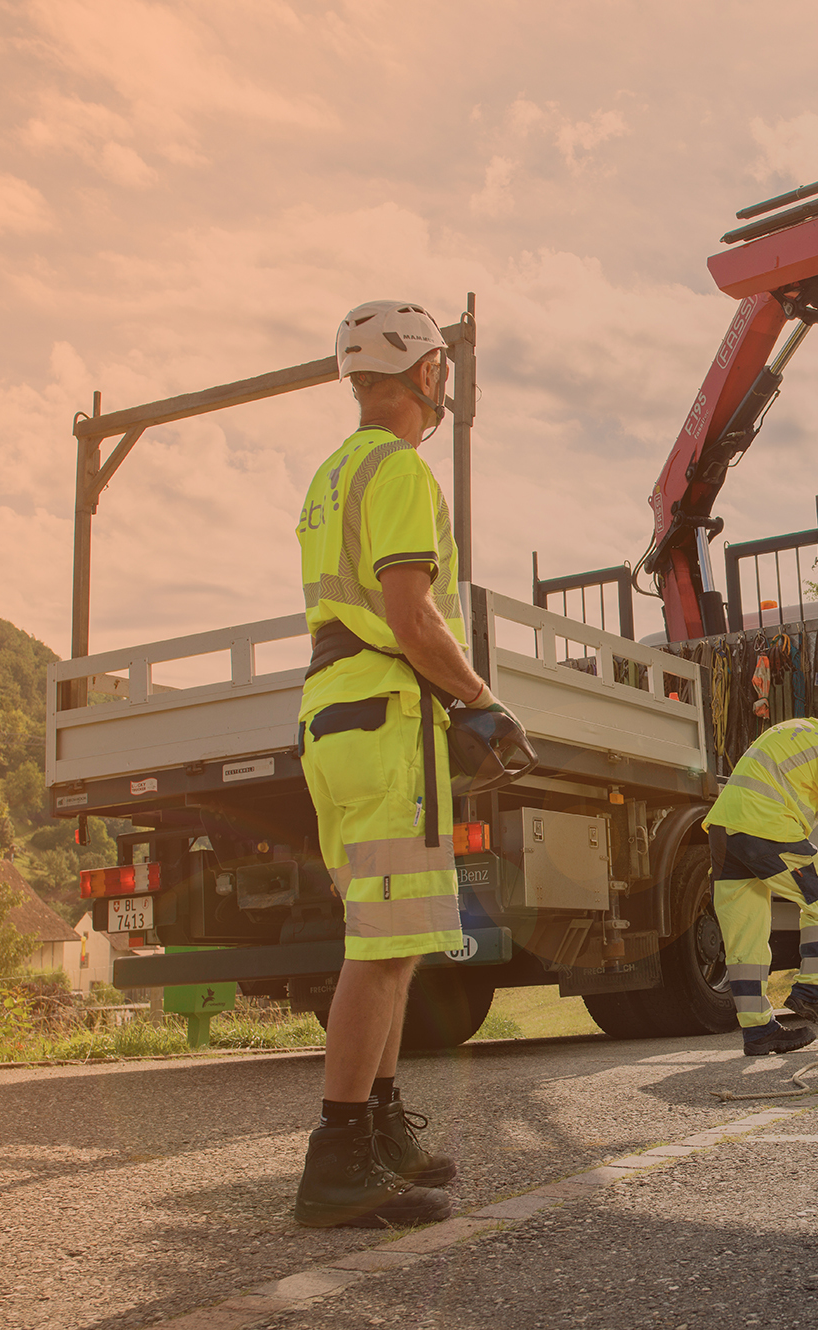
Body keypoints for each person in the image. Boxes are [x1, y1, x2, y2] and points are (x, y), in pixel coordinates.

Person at [292, 299, 514, 1227]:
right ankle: (338, 1157)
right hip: (387, 719)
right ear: (427, 374)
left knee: (397, 941)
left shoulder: (335, 470)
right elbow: (412, 614)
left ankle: (378, 1131)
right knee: (381, 950)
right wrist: (482, 701)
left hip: (340, 716)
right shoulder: (400, 470)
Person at [704, 677, 818, 1054]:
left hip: (725, 832)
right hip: (767, 830)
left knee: (746, 939)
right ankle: (808, 993)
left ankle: (759, 1033)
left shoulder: (795, 730)